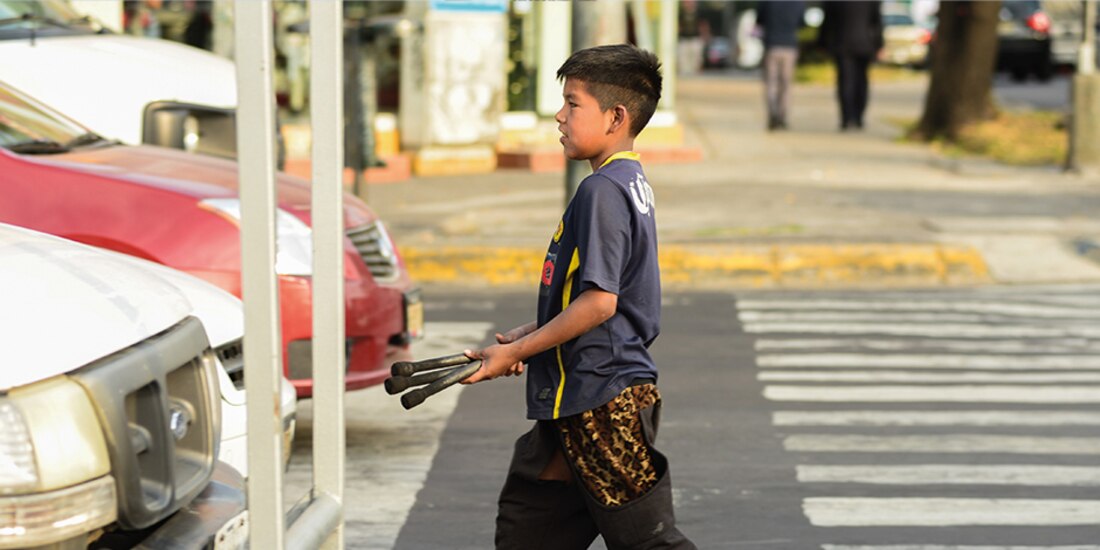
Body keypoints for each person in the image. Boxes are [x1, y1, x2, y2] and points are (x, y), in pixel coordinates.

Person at [461, 44, 696, 550]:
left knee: (649, 542)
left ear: (616, 117)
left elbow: (601, 303)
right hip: (580, 392)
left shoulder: (602, 191)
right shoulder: (629, 180)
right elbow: (603, 293)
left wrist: (516, 352)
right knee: (530, 527)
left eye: (572, 104)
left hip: (601, 398)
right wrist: (531, 336)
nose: (559, 115)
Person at [819, 0, 884, 130]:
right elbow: (877, 22)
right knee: (861, 81)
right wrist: (879, 44)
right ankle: (858, 117)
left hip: (842, 44)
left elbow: (827, 23)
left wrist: (822, 43)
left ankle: (847, 117)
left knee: (845, 82)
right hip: (865, 44)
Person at [757, 0, 805, 130]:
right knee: (786, 83)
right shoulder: (798, 2)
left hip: (772, 45)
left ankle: (773, 113)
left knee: (771, 83)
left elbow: (759, 20)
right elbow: (802, 23)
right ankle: (782, 116)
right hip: (790, 45)